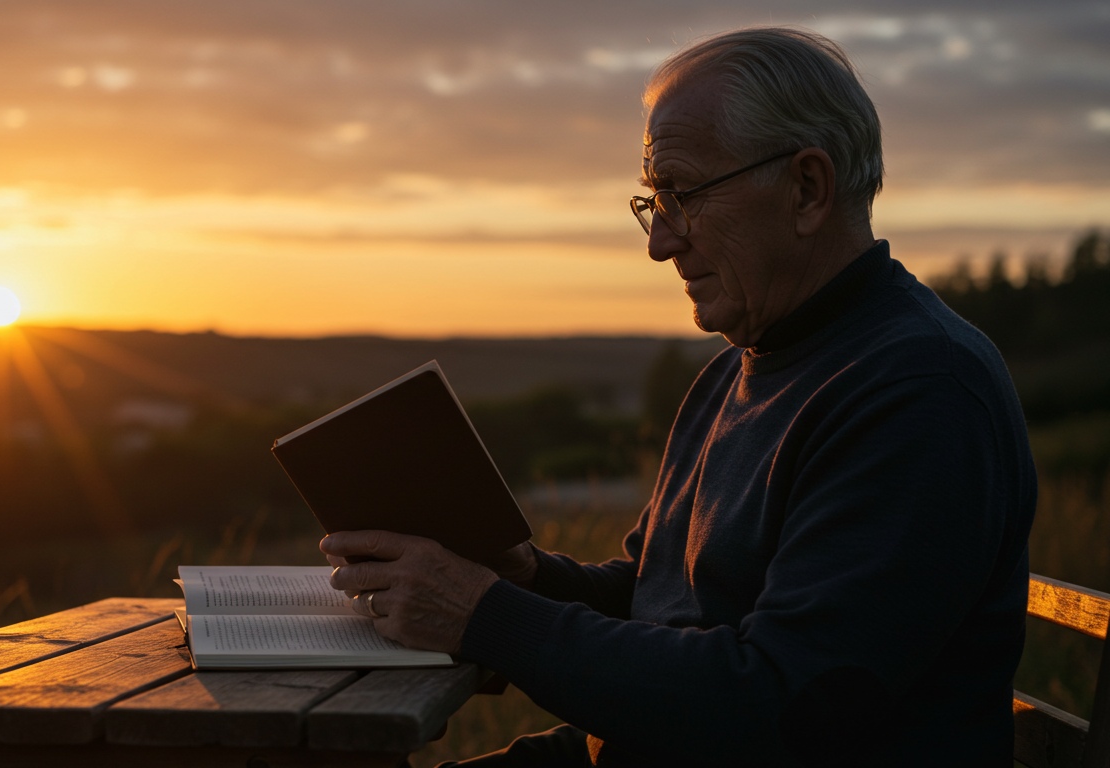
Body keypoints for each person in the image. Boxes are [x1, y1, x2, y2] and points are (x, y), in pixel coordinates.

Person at [322, 26, 1037, 767]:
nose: (660, 243)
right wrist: (528, 578)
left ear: (807, 188)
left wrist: (484, 616)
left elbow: (782, 703)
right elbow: (659, 599)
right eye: (653, 201)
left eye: (683, 195)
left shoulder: (917, 395)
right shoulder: (743, 367)